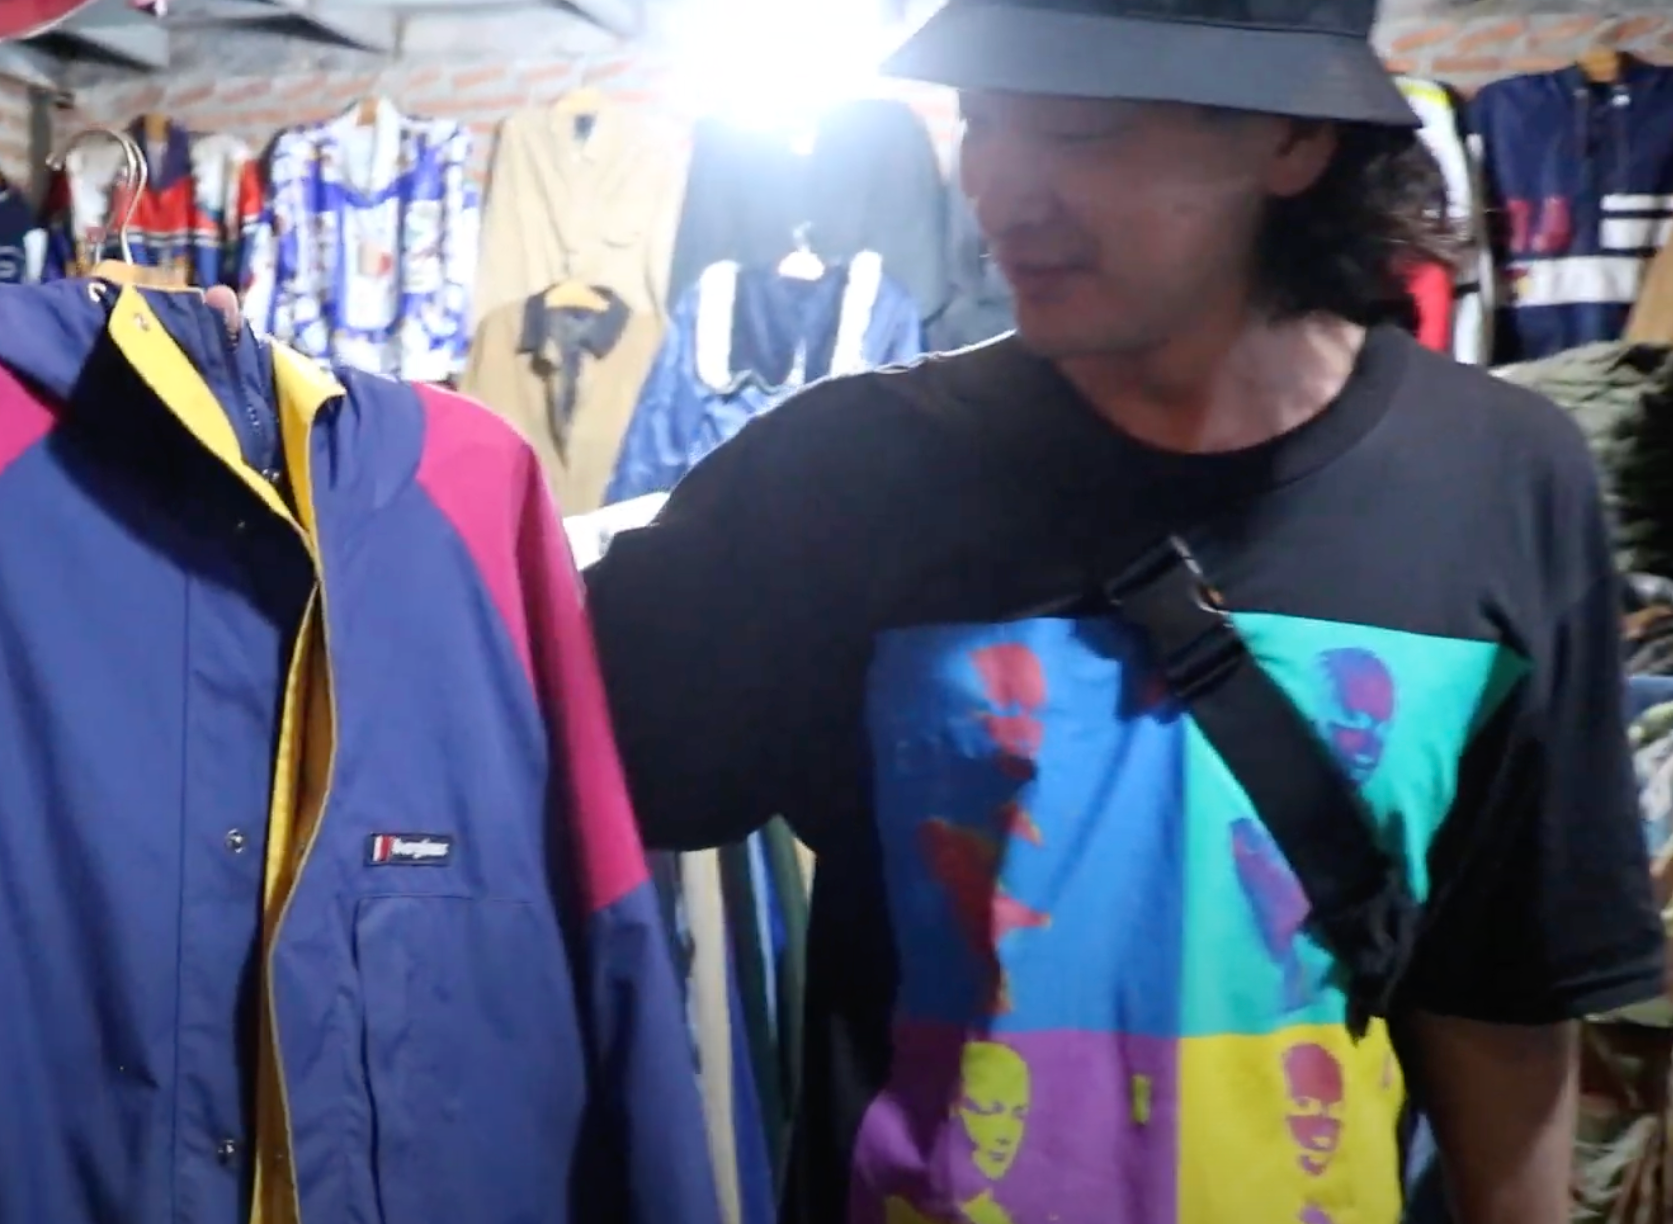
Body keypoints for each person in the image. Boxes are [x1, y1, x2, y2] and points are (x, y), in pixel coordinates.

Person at [584, 0, 1668, 1222]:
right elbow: (533, 786)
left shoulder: (1498, 480)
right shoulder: (842, 475)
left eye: (1080, 131)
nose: (1000, 190)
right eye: (984, 121)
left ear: (1293, 139)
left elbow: (1503, 979)